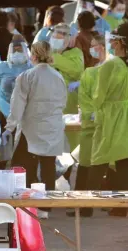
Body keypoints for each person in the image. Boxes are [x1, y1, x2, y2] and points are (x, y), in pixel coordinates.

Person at [4, 41, 67, 219]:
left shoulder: (26, 76)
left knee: (24, 166)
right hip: (53, 127)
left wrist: (9, 127)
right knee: (48, 167)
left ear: (33, 55)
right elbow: (62, 102)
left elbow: (17, 105)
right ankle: (46, 208)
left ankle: (28, 205)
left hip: (31, 128)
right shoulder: (58, 76)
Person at [85, 23, 128, 217]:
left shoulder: (110, 65)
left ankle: (86, 206)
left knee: (98, 160)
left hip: (111, 116)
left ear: (119, 42)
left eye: (112, 40)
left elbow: (98, 96)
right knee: (124, 161)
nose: (109, 43)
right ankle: (121, 207)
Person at [69, 33, 106, 217]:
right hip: (89, 122)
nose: (92, 49)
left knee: (92, 165)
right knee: (86, 164)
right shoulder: (96, 68)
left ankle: (86, 206)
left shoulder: (109, 69)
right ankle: (81, 205)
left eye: (95, 46)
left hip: (98, 123)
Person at [0, 34, 32, 169]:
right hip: (2, 113)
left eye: (20, 50)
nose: (17, 53)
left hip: (25, 116)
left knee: (21, 153)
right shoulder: (1, 68)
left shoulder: (32, 68)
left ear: (26, 50)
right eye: (14, 50)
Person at [50, 23, 84, 151]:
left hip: (69, 105)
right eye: (56, 36)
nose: (58, 39)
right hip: (49, 105)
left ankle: (69, 170)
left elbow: (76, 70)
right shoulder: (45, 52)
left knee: (70, 145)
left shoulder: (76, 53)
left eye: (63, 36)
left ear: (69, 38)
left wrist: (55, 58)